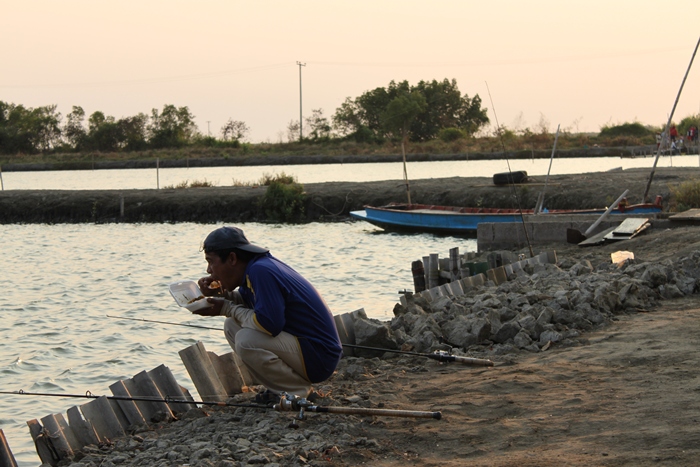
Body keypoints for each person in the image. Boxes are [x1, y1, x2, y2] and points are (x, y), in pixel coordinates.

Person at [192, 226, 342, 404]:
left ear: (232, 258)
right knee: (232, 326)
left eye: (211, 261)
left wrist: (226, 308)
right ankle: (280, 389)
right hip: (308, 350)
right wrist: (224, 295)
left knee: (246, 339)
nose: (209, 270)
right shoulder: (256, 268)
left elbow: (269, 324)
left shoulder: (260, 271)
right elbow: (257, 306)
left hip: (319, 356)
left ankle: (299, 392)